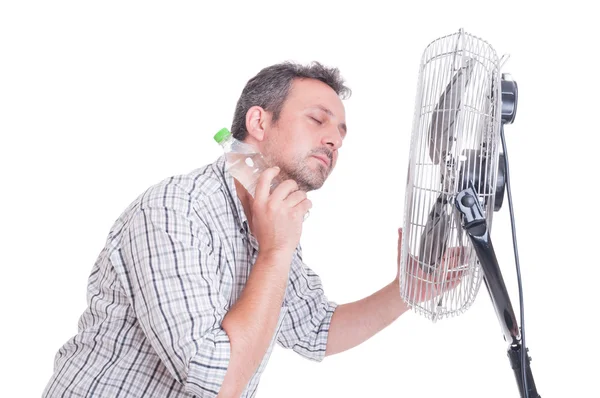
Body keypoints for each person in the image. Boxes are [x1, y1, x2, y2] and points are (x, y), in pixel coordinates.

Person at [43, 61, 461, 398]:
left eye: (341, 133)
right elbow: (217, 382)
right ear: (258, 122)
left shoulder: (271, 214)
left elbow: (313, 328)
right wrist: (276, 252)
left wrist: (410, 289)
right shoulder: (176, 211)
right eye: (318, 120)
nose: (334, 140)